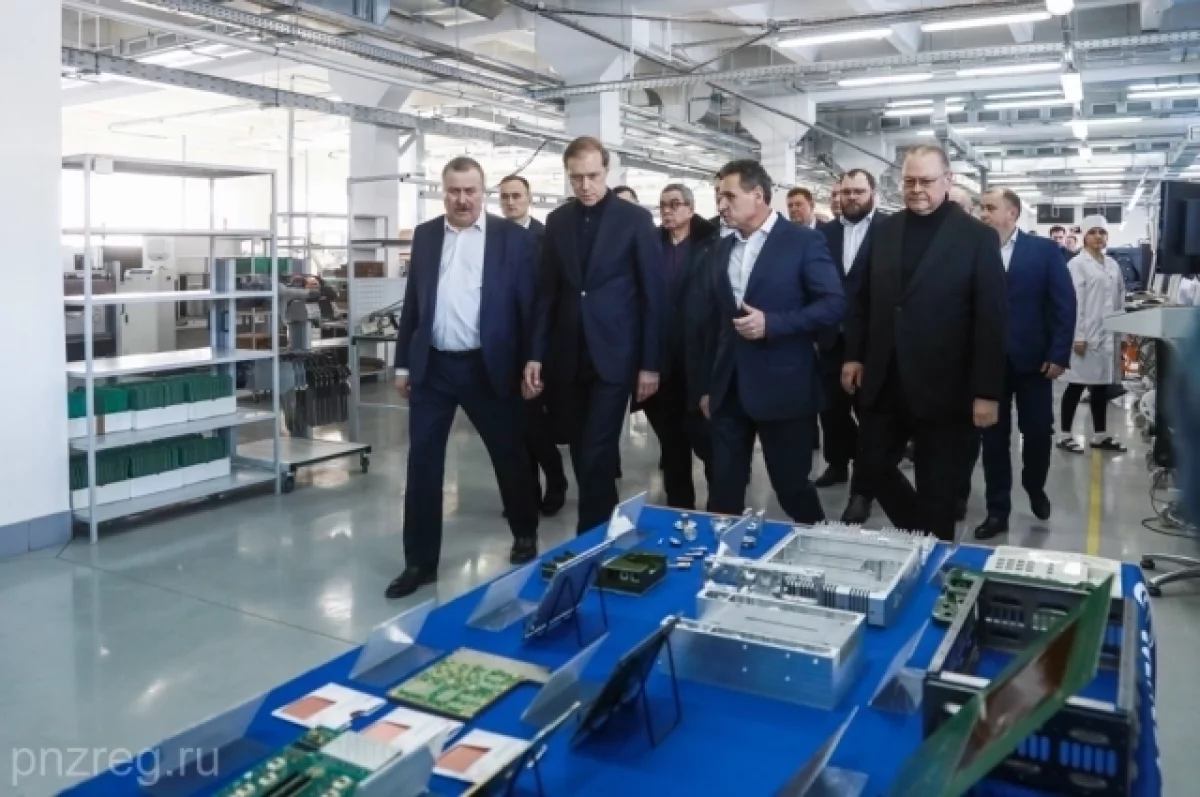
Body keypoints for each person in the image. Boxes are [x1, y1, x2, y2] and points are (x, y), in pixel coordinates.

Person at [386, 157, 541, 599]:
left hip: (488, 366)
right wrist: (403, 364)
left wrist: (533, 359)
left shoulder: (512, 238)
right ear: (443, 192)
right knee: (423, 462)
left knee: (508, 452)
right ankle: (419, 562)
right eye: (454, 191)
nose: (462, 199)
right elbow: (413, 306)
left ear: (482, 191)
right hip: (433, 367)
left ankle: (524, 532)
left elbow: (531, 306)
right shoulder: (426, 236)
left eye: (470, 190)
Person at [842, 144, 1008, 542]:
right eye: (909, 181)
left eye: (926, 181)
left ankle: (933, 551)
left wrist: (987, 392)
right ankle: (923, 532)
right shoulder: (885, 230)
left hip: (946, 385)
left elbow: (991, 318)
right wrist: (854, 355)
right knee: (872, 465)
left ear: (948, 180)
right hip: (885, 377)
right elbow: (862, 298)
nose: (916, 189)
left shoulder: (977, 237)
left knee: (938, 486)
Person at [524, 136, 666, 536]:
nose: (585, 185)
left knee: (598, 447)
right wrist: (536, 354)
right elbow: (547, 294)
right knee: (580, 446)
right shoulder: (558, 221)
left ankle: (591, 536)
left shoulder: (635, 220)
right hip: (568, 355)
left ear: (607, 171)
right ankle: (606, 527)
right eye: (576, 178)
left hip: (615, 354)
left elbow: (653, 296)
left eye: (593, 176)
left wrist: (650, 364)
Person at [695, 159, 845, 523]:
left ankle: (818, 541)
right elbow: (714, 322)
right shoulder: (721, 248)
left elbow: (833, 303)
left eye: (729, 196)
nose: (721, 205)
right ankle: (721, 552)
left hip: (783, 387)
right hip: (729, 388)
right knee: (723, 490)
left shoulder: (802, 241)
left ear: (758, 195)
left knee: (791, 487)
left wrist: (773, 324)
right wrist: (708, 386)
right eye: (718, 196)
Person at [970, 188, 1077, 540]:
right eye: (981, 208)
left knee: (1038, 432)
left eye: (990, 208)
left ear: (1012, 213)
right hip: (988, 364)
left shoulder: (1043, 251)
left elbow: (1064, 304)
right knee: (993, 440)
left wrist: (1058, 354)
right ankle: (997, 510)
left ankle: (1034, 486)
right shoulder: (974, 249)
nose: (983, 214)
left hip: (1034, 362)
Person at [636, 183, 719, 509]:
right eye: (662, 205)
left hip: (699, 357)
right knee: (672, 443)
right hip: (661, 358)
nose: (667, 211)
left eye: (674, 204)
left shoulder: (711, 244)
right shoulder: (651, 245)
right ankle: (679, 507)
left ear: (690, 208)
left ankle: (719, 508)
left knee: (708, 441)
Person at [817, 169, 885, 524]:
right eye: (846, 192)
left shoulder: (889, 230)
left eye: (859, 191)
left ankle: (863, 491)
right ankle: (837, 463)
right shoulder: (824, 234)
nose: (852, 198)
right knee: (831, 411)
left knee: (870, 416)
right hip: (831, 338)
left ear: (873, 192)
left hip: (874, 342)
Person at [498, 174, 568, 516]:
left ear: (529, 198)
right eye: (505, 197)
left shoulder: (546, 238)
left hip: (537, 346)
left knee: (535, 426)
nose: (511, 202)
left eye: (517, 196)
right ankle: (525, 493)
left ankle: (555, 481)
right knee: (511, 428)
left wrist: (541, 351)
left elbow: (552, 296)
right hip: (501, 346)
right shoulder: (492, 238)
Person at [1058, 215, 1128, 454]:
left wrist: (1121, 332)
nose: (1098, 236)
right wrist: (1078, 335)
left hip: (1108, 334)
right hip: (1086, 336)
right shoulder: (1077, 265)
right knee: (1076, 385)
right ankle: (1064, 434)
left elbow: (1120, 299)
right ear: (1084, 237)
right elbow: (1074, 303)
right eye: (1093, 232)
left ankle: (1100, 435)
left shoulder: (1112, 265)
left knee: (1100, 387)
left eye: (1102, 232)